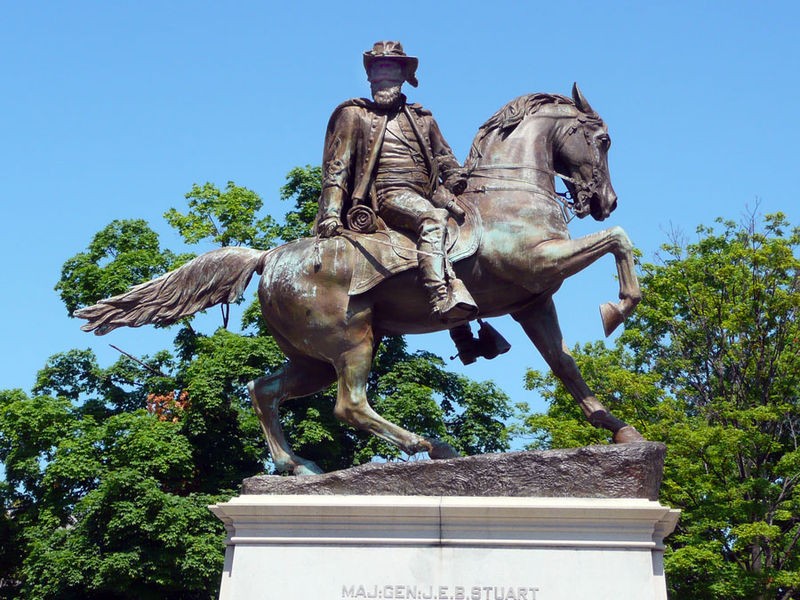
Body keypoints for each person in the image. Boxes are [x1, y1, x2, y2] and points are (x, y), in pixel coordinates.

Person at [314, 40, 477, 322]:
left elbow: (444, 157)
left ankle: (464, 331)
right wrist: (330, 213)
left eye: (390, 69)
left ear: (404, 76)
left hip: (428, 192)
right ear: (369, 78)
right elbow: (337, 167)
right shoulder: (355, 115)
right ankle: (439, 294)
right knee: (433, 219)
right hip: (387, 196)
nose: (383, 77)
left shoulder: (423, 118)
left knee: (469, 232)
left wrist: (456, 175)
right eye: (377, 70)